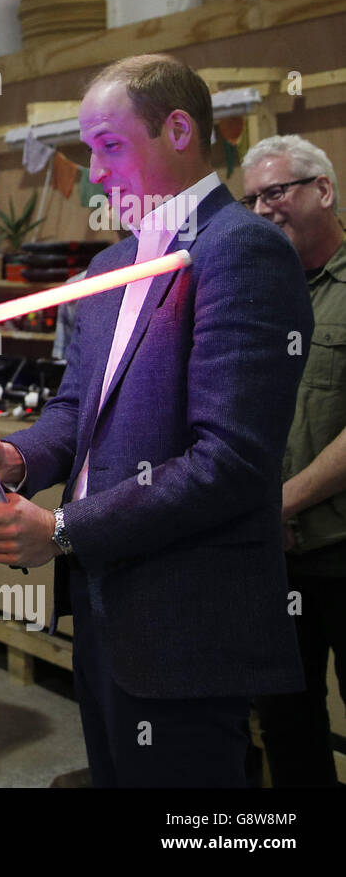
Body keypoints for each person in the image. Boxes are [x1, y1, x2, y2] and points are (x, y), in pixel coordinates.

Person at [0, 54, 312, 787]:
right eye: (88, 151)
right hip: (107, 605)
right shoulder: (112, 266)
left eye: (110, 144)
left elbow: (229, 462)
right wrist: (14, 458)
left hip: (188, 621)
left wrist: (63, 530)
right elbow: (77, 408)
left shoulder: (243, 251)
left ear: (177, 129)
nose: (97, 170)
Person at [242, 134, 346, 787]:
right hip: (273, 561)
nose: (261, 210)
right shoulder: (256, 295)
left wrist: (285, 499)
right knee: (287, 726)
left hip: (339, 547)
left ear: (323, 190)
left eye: (274, 192)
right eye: (249, 199)